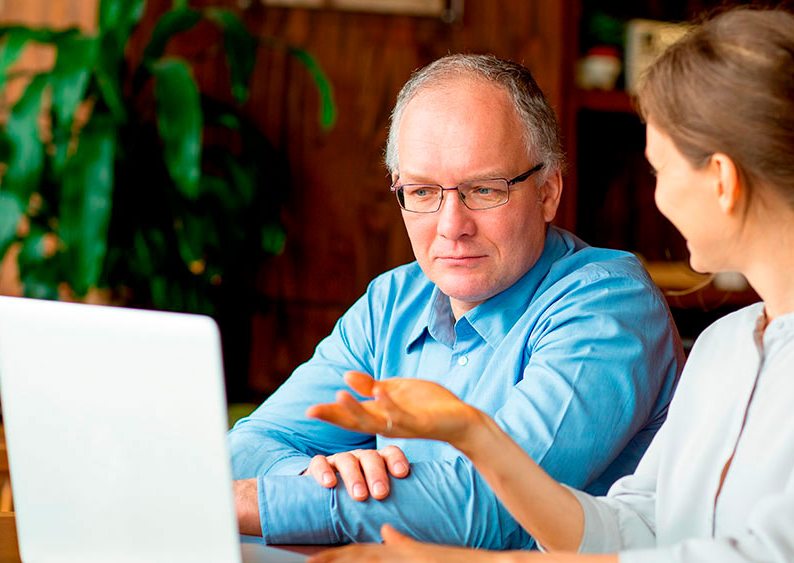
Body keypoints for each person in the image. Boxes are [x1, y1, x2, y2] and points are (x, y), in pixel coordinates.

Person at [306, 8, 794, 562]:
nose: (656, 200)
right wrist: (475, 433)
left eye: (658, 169)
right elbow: (634, 528)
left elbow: (771, 557)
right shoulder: (726, 343)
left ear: (722, 178)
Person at [227, 54, 684, 548]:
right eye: (422, 192)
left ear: (548, 192)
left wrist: (261, 502)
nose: (451, 227)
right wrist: (325, 477)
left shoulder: (609, 306)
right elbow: (248, 446)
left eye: (484, 190)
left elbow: (498, 506)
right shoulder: (392, 303)